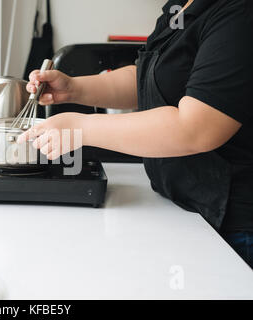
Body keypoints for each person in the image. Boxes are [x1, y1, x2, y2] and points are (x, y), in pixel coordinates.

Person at [18, 0, 253, 268]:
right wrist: (74, 88)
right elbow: (148, 78)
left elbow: (196, 128)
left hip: (234, 230)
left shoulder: (239, 14)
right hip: (186, 209)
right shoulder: (180, 8)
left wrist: (79, 128)